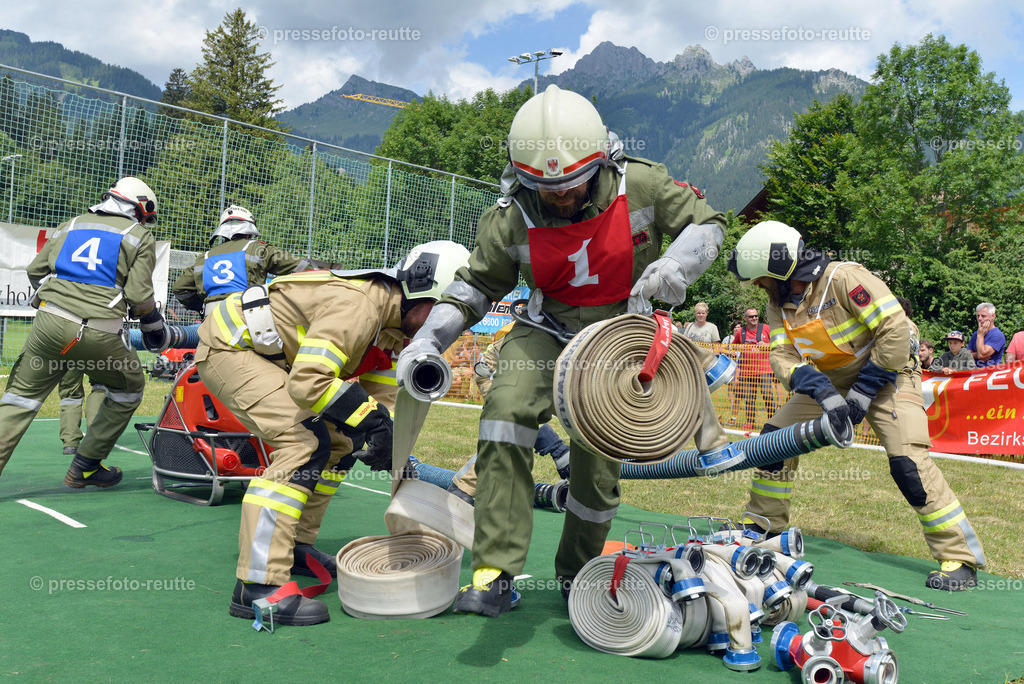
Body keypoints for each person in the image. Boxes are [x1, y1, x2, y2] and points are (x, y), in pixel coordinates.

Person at [397, 84, 728, 616]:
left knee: (597, 464)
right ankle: (493, 574)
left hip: (618, 338)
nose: (558, 196)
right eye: (542, 187)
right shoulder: (509, 215)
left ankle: (578, 577)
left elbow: (709, 224)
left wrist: (676, 265)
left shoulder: (642, 183)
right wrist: (426, 341)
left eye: (572, 184)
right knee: (505, 416)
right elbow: (474, 288)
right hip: (544, 330)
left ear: (600, 162)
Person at [194, 240, 470, 627]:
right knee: (303, 444)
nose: (448, 332)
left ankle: (296, 545)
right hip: (231, 348)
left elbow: (379, 399)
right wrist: (373, 422)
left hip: (274, 357)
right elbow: (309, 381)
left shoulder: (396, 331)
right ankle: (257, 585)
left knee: (341, 442)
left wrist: (382, 432)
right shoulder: (358, 306)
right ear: (421, 288)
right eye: (445, 317)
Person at [727, 220, 986, 591]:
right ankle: (762, 527)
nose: (759, 287)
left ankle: (960, 558)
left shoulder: (845, 278)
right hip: (831, 380)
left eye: (762, 278)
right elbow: (782, 354)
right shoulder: (778, 304)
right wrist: (818, 387)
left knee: (908, 463)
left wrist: (862, 394)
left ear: (780, 269)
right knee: (772, 442)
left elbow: (895, 330)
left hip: (890, 374)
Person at [0, 177, 169, 486]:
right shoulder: (139, 235)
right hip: (98, 333)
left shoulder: (70, 224)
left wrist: (60, 300)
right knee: (129, 388)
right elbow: (138, 296)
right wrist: (152, 325)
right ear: (139, 209)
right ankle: (86, 466)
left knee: (19, 399)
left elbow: (35, 271)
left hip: (48, 325)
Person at [448, 323, 570, 505]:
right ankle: (462, 489)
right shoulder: (533, 333)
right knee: (511, 424)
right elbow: (523, 408)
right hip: (495, 369)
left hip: (536, 361)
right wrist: (557, 449)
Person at [171, 205, 318, 315]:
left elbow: (179, 288)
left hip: (212, 318)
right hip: (248, 317)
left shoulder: (204, 258)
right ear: (249, 232)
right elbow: (300, 267)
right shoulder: (258, 249)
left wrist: (199, 305)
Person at [733, 307, 775, 430]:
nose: (754, 318)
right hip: (746, 371)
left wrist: (767, 345)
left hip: (764, 370)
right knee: (749, 398)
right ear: (745, 318)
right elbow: (734, 346)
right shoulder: (741, 332)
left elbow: (778, 343)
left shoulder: (766, 328)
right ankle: (750, 422)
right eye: (751, 316)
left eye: (756, 316)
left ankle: (773, 422)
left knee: (768, 396)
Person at [968, 302, 1005, 366]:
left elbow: (982, 354)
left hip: (991, 373)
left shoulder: (997, 335)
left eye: (983, 316)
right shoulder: (975, 334)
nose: (979, 319)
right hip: (975, 373)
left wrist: (980, 336)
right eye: (978, 316)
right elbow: (965, 356)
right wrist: (976, 355)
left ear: (993, 316)